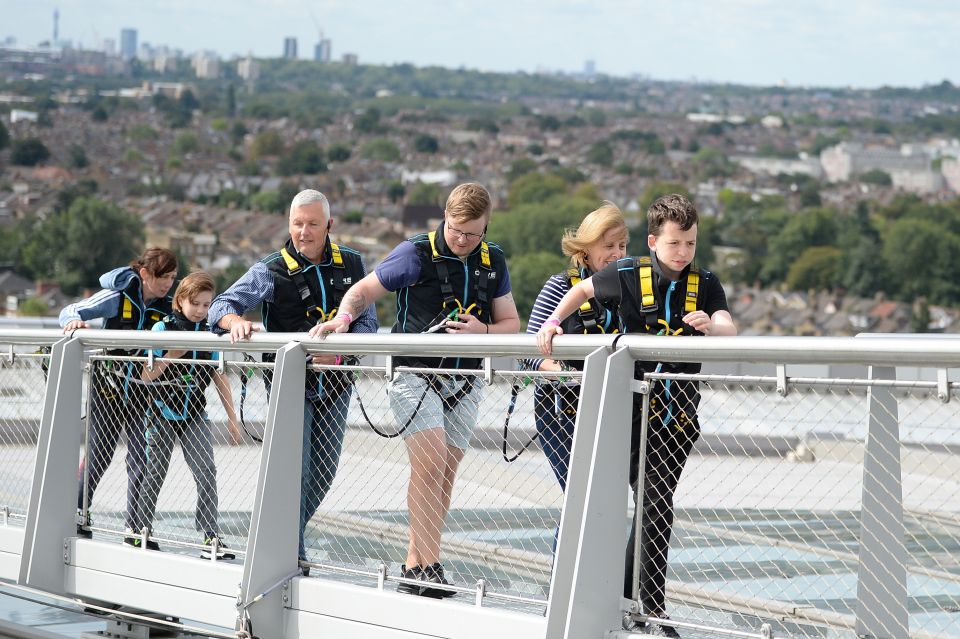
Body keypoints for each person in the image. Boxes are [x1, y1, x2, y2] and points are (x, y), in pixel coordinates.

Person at [537, 194, 736, 637]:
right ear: (653, 241)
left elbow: (729, 324)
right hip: (627, 413)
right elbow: (582, 290)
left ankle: (647, 604)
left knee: (658, 505)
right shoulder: (626, 275)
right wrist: (552, 324)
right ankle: (621, 601)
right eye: (675, 243)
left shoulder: (706, 284)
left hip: (675, 417)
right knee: (621, 502)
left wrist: (712, 326)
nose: (683, 252)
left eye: (690, 243)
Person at [313, 182, 520, 598]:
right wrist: (343, 319)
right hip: (413, 374)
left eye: (472, 233)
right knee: (429, 464)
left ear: (486, 227)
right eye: (455, 230)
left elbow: (512, 324)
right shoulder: (415, 252)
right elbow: (363, 290)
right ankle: (429, 566)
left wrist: (483, 331)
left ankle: (415, 563)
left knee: (444, 474)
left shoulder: (492, 259)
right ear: (444, 216)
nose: (462, 240)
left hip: (465, 381)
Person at [208, 189, 378, 571]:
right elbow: (220, 305)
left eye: (313, 224)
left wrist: (340, 351)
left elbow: (369, 324)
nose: (304, 232)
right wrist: (234, 321)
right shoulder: (270, 269)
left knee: (324, 470)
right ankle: (293, 554)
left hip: (336, 383)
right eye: (297, 224)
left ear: (329, 226)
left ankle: (278, 536)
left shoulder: (352, 264)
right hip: (288, 385)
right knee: (295, 470)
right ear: (289, 224)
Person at [59, 247, 178, 543]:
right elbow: (70, 311)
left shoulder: (167, 307)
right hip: (107, 388)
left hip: (142, 389)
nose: (168, 284)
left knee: (142, 457)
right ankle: (77, 513)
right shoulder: (117, 298)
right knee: (99, 455)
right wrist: (74, 322)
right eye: (163, 277)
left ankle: (134, 528)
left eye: (173, 278)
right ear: (145, 274)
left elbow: (194, 317)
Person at [135, 271, 242, 559]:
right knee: (155, 472)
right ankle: (139, 530)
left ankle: (210, 536)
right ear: (180, 300)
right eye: (195, 303)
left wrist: (233, 420)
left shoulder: (211, 333)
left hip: (195, 414)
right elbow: (146, 376)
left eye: (207, 305)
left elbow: (220, 377)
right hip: (161, 413)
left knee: (206, 470)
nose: (201, 311)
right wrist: (172, 354)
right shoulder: (163, 328)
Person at [525, 201, 628, 493]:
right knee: (579, 494)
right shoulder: (559, 287)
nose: (617, 253)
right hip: (562, 411)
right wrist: (569, 375)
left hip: (612, 407)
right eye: (609, 245)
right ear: (586, 250)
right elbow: (528, 352)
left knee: (604, 496)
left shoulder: (630, 292)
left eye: (622, 245)